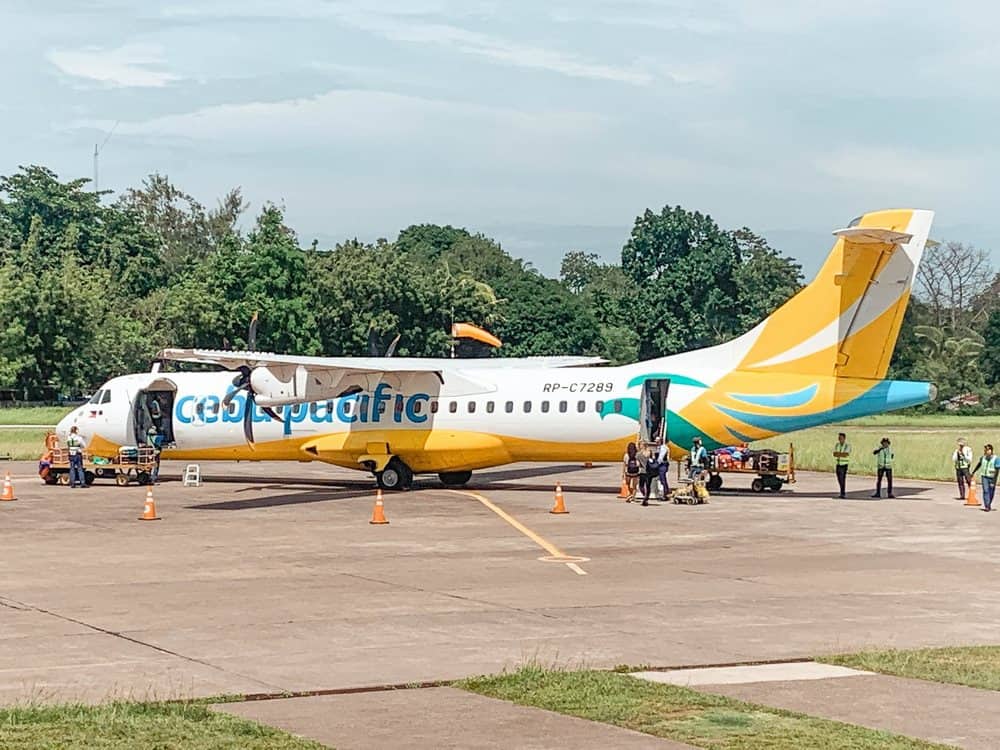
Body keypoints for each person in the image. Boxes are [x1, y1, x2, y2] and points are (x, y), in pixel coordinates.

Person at [971, 444, 1000, 512]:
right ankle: (987, 506)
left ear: (991, 450)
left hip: (992, 478)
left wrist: (994, 481)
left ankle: (989, 503)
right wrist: (973, 472)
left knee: (991, 492)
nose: (986, 451)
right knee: (986, 491)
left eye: (988, 450)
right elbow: (979, 464)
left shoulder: (996, 459)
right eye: (985, 450)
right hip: (984, 477)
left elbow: (997, 470)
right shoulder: (982, 458)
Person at [833, 432, 850, 498]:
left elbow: (846, 454)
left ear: (844, 438)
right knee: (839, 478)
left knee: (842, 478)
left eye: (841, 438)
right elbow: (834, 454)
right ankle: (842, 491)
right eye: (839, 438)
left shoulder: (847, 445)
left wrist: (839, 454)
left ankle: (842, 492)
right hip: (838, 463)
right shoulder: (837, 445)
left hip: (844, 464)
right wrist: (841, 454)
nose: (839, 439)